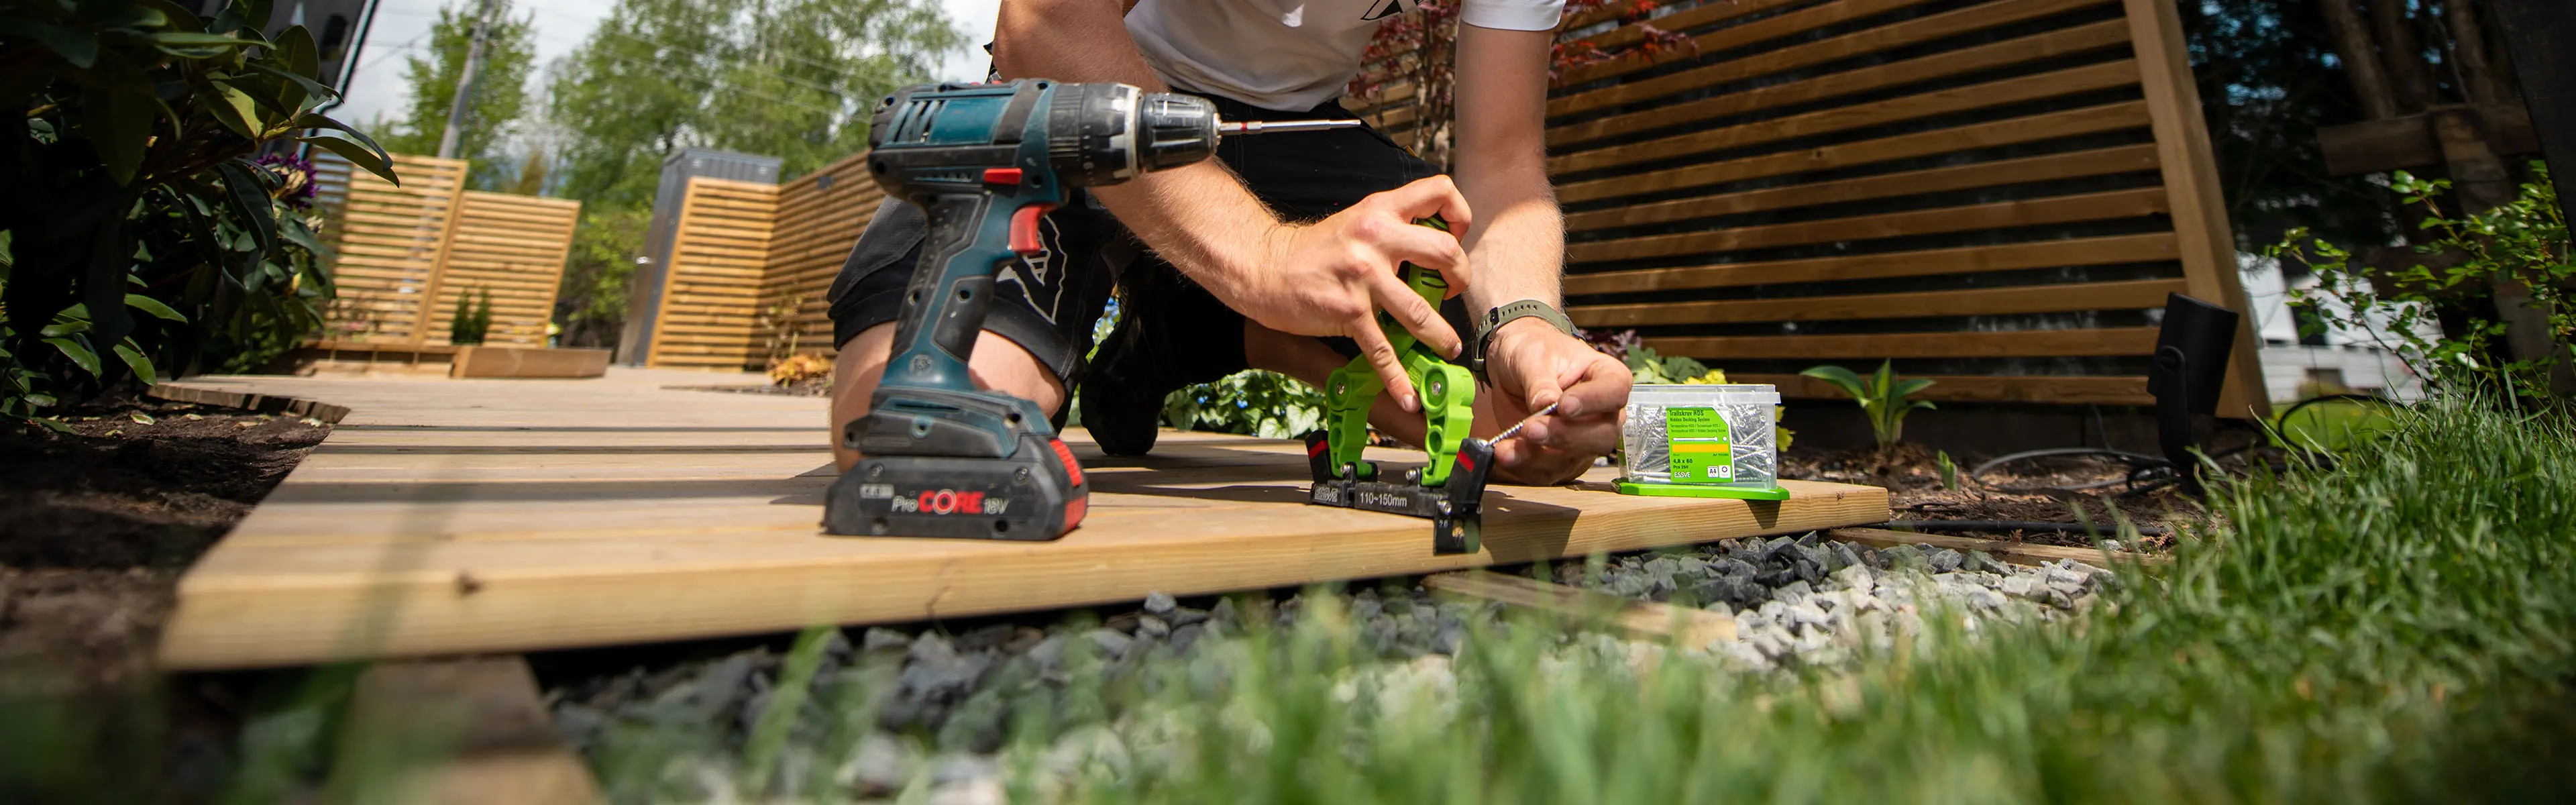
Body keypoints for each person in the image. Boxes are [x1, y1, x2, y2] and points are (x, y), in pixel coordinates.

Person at [826, 0, 1631, 485]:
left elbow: (1502, 166)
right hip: (1091, 88)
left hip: (1289, 125)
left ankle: (1191, 329)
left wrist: (1524, 327)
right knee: (922, 431)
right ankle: (1216, 295)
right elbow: (1048, 23)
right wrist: (1266, 259)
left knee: (1504, 422)